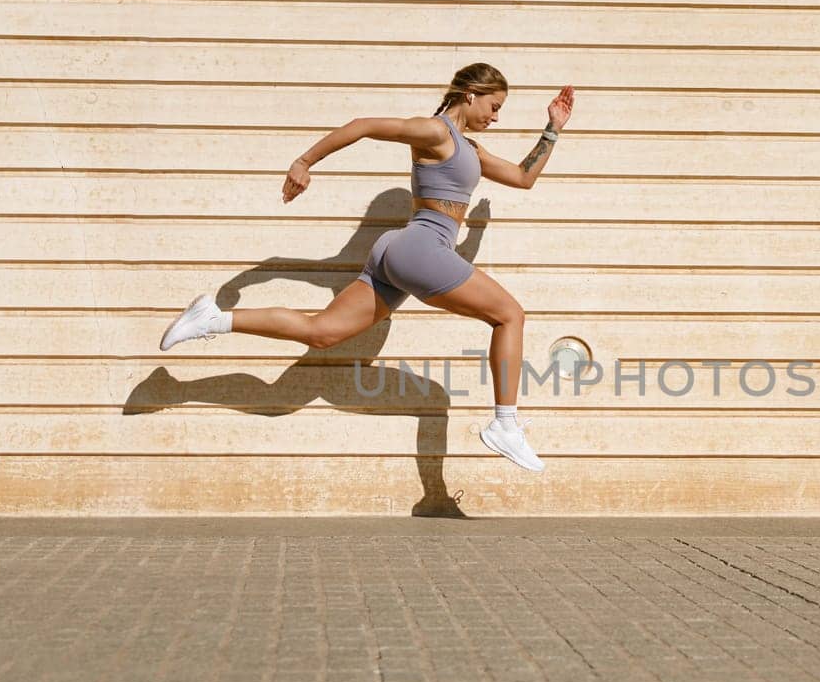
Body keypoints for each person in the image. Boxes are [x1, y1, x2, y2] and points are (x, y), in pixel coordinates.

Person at [158, 63, 575, 473]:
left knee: (322, 333)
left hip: (401, 250)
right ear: (471, 95)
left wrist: (552, 127)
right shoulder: (435, 131)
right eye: (494, 105)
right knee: (510, 315)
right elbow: (362, 125)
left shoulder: (471, 149)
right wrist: (304, 162)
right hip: (419, 247)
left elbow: (523, 178)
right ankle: (505, 424)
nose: (496, 117)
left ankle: (214, 318)